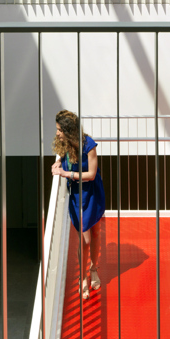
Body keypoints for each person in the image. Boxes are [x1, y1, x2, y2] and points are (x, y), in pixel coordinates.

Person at [51, 109, 106, 299]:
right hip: (77, 195)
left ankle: (93, 269)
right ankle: (83, 278)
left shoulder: (88, 145)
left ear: (69, 131)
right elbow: (62, 154)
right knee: (85, 240)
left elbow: (91, 174)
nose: (57, 133)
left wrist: (65, 173)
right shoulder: (64, 143)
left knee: (96, 233)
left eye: (60, 129)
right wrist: (58, 162)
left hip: (92, 192)